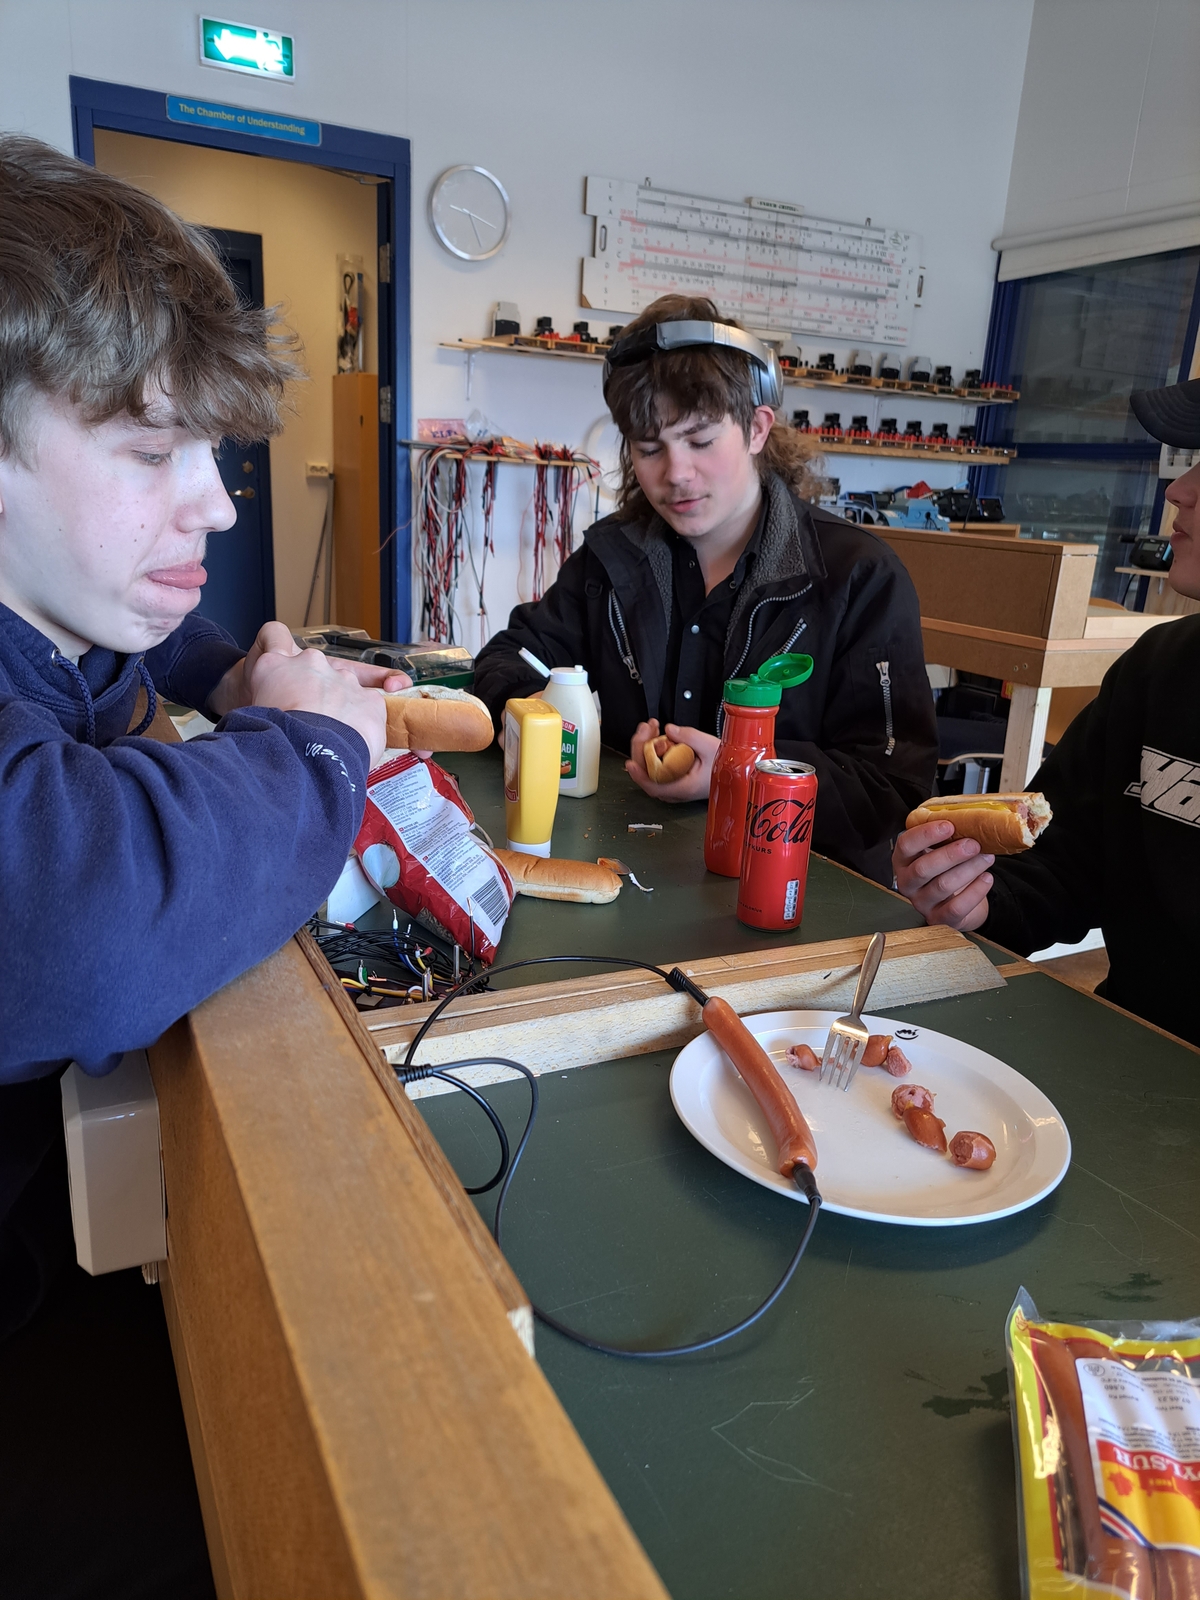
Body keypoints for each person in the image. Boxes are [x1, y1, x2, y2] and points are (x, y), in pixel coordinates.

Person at [0, 136, 407, 1594]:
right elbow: (78, 920)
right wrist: (312, 750)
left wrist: (235, 672)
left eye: (211, 452)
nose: (220, 507)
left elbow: (125, 654)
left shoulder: (50, 607)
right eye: (148, 452)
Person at [472, 294, 938, 885]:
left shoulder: (857, 577)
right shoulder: (609, 561)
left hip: (795, 892)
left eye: (700, 441)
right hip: (630, 869)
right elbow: (509, 662)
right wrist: (557, 724)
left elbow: (892, 785)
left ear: (756, 429)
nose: (676, 474)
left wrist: (741, 772)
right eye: (649, 449)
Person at [892, 376, 1200, 1047]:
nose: (1178, 490)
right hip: (1131, 1054)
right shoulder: (1159, 671)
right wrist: (972, 899)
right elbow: (1059, 869)